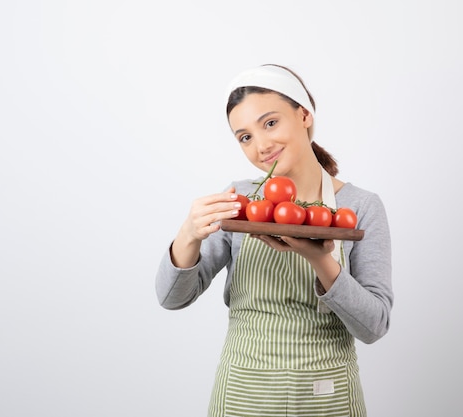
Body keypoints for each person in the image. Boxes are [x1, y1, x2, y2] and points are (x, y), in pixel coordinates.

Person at [155, 64, 393, 417]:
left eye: (270, 123)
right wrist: (188, 233)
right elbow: (172, 298)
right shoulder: (238, 201)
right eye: (245, 137)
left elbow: (374, 326)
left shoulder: (360, 206)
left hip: (327, 396)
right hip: (242, 395)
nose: (261, 145)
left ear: (304, 115)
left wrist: (320, 259)